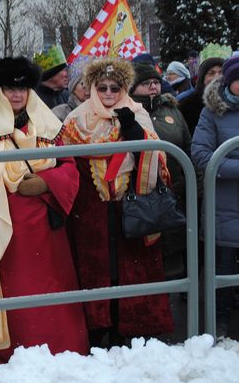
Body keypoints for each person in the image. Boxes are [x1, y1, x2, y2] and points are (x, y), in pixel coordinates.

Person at [0, 56, 88, 372]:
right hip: (2, 230)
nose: (17, 95)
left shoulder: (48, 127)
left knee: (49, 291)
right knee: (14, 292)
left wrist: (45, 182)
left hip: (45, 227)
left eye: (23, 88)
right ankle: (7, 357)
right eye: (10, 88)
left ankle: (61, 350)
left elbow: (69, 167)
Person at [62, 58, 174, 348]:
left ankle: (132, 328)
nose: (109, 93)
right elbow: (62, 160)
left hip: (131, 205)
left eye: (115, 87)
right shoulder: (76, 119)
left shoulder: (138, 114)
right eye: (102, 87)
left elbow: (157, 158)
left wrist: (133, 132)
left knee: (130, 270)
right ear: (92, 89)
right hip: (90, 212)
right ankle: (98, 327)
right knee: (96, 272)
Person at [191, 56, 239, 338]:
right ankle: (217, 328)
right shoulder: (212, 112)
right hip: (224, 210)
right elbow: (201, 155)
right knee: (221, 275)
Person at [130, 62, 191, 279]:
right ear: (132, 87)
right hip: (144, 197)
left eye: (156, 82)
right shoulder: (128, 113)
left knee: (177, 254)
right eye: (146, 83)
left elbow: (187, 145)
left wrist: (191, 183)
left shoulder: (172, 109)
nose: (153, 87)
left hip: (177, 192)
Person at [178, 54, 227, 134]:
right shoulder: (187, 105)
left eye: (221, 72)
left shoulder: (233, 101)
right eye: (211, 73)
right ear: (202, 78)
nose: (217, 77)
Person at [51, 54, 93, 122]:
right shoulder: (59, 113)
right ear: (73, 87)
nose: (88, 89)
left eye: (92, 84)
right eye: (83, 84)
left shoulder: (104, 114)